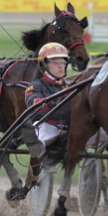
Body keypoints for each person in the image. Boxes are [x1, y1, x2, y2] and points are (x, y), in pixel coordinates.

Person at [22, 42, 72, 176]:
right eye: (55, 61)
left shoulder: (70, 87)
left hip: (67, 127)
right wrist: (50, 102)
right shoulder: (36, 85)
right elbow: (32, 103)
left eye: (63, 61)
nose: (61, 65)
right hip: (45, 124)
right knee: (42, 134)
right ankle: (42, 154)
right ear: (44, 64)